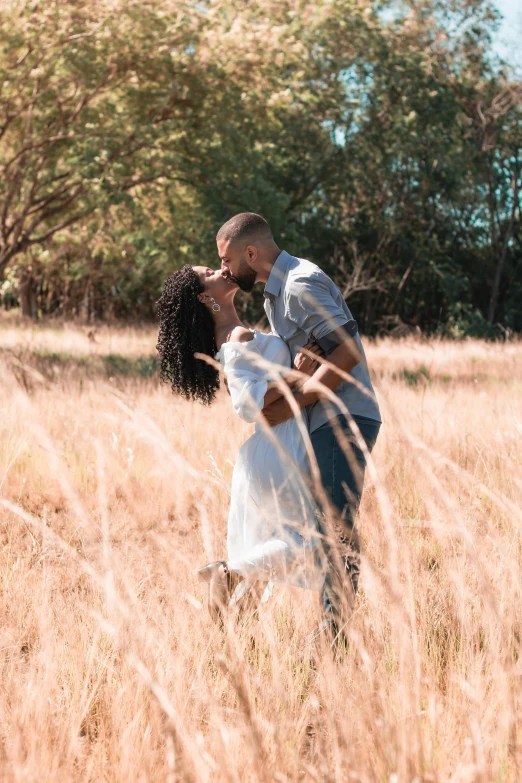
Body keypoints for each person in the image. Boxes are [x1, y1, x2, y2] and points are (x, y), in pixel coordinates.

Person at [217, 212, 381, 641]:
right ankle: (331, 633)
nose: (225, 270)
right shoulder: (276, 294)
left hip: (341, 415)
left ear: (251, 253)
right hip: (319, 421)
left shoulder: (297, 284)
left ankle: (334, 639)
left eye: (228, 261)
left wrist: (298, 398)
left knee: (334, 527)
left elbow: (347, 352)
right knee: (321, 527)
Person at [156, 265, 325, 624]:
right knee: (310, 542)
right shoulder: (234, 338)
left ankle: (237, 636)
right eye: (210, 273)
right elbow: (247, 404)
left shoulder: (235, 334)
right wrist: (297, 373)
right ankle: (227, 573)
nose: (221, 270)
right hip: (282, 450)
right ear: (205, 297)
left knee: (265, 555)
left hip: (275, 448)